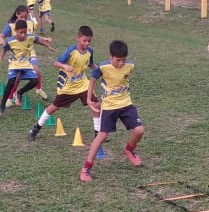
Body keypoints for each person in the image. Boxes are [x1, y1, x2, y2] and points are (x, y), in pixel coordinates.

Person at [80, 39, 144, 182]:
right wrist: (90, 100)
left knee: (139, 130)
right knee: (102, 136)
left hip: (126, 104)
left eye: (123, 60)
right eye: (117, 60)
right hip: (109, 106)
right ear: (110, 56)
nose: (121, 63)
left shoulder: (130, 66)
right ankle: (86, 169)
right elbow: (92, 81)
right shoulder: (103, 67)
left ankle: (129, 150)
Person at [29, 25, 99, 141]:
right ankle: (36, 128)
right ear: (78, 38)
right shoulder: (71, 51)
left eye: (89, 41)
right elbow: (56, 63)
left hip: (83, 84)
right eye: (84, 40)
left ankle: (98, 134)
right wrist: (65, 66)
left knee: (96, 105)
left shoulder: (90, 51)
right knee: (54, 107)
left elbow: (91, 64)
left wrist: (99, 71)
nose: (87, 43)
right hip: (68, 86)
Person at [0, 19, 52, 119]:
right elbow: (4, 49)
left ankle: (20, 93)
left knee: (35, 80)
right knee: (11, 82)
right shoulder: (11, 40)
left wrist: (47, 46)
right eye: (21, 32)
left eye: (25, 32)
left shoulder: (29, 37)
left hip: (26, 64)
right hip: (14, 64)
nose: (23, 34)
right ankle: (1, 107)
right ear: (16, 31)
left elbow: (37, 40)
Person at [0, 5, 48, 104]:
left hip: (29, 52)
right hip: (17, 55)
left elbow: (33, 36)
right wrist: (1, 40)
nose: (24, 19)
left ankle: (38, 89)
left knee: (36, 70)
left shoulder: (29, 24)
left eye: (25, 17)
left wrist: (44, 39)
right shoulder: (11, 25)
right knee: (17, 78)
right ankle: (10, 97)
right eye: (21, 17)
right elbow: (1, 35)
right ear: (17, 15)